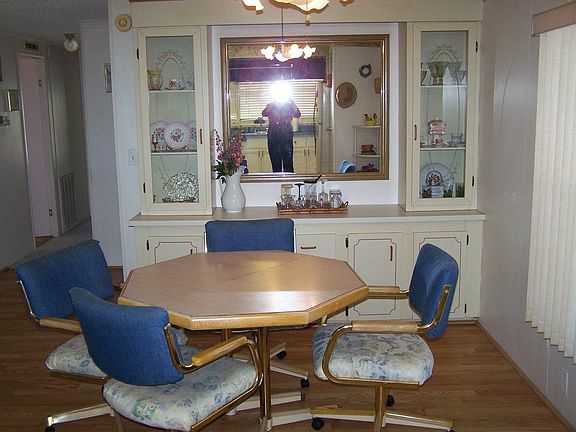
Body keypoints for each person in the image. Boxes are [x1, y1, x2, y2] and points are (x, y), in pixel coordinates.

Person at [262, 99, 301, 172]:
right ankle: (277, 179)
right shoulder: (271, 106)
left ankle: (289, 179)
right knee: (276, 165)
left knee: (288, 165)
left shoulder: (289, 106)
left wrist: (292, 103)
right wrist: (273, 104)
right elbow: (264, 113)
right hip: (273, 139)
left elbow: (298, 114)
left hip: (286, 139)